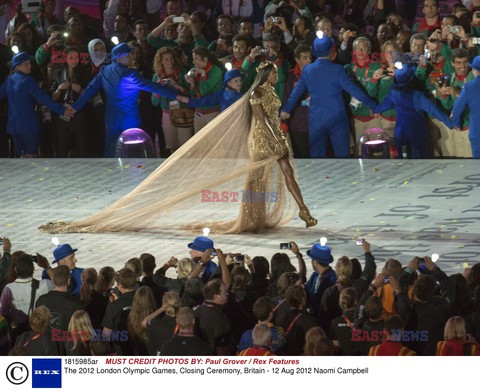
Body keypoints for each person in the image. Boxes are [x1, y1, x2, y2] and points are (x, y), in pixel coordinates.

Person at [67, 43, 181, 157]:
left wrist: (75, 107)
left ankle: (112, 172)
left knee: (111, 149)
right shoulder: (131, 74)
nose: (132, 57)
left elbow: (89, 90)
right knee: (132, 150)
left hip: (111, 118)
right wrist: (178, 96)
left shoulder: (105, 70)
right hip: (130, 119)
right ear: (120, 57)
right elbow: (153, 87)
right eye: (129, 55)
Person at [281, 32, 377, 158]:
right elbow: (354, 90)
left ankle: (319, 178)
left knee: (317, 156)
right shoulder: (338, 70)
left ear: (315, 51)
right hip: (337, 117)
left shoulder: (308, 71)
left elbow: (296, 93)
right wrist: (372, 105)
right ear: (331, 50)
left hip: (316, 119)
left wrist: (286, 110)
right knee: (342, 156)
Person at [373, 62, 454, 158]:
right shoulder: (418, 96)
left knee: (403, 159)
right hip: (417, 131)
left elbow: (384, 105)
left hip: (401, 132)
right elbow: (434, 110)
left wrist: (374, 109)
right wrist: (450, 123)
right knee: (420, 160)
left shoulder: (393, 93)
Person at [0, 52, 72, 157]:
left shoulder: (9, 80)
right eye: (26, 64)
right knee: (31, 156)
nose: (30, 66)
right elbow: (44, 98)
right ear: (18, 66)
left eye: (29, 63)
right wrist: (62, 110)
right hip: (29, 125)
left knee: (22, 156)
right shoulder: (28, 80)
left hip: (13, 126)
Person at [452, 56, 480, 158]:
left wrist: (456, 124)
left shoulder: (469, 87)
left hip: (478, 134)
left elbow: (458, 108)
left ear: (475, 71)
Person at [179, 68, 244, 111]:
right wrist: (190, 101)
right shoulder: (222, 94)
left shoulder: (240, 94)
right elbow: (207, 100)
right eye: (236, 81)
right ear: (229, 83)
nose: (239, 83)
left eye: (240, 80)